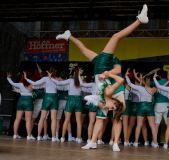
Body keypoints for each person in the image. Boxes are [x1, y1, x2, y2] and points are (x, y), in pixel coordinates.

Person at [56, 3, 149, 151]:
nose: (108, 49)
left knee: (117, 117)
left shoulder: (112, 58)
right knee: (100, 117)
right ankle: (92, 141)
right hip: (103, 81)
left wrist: (108, 73)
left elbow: (118, 70)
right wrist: (106, 75)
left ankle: (116, 143)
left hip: (113, 87)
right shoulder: (100, 58)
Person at [48, 67, 83, 143]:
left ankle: (62, 138)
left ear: (73, 73)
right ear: (79, 73)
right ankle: (79, 138)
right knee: (79, 121)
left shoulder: (70, 80)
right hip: (78, 100)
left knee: (66, 120)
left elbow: (58, 83)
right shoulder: (81, 81)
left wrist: (51, 78)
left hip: (70, 100)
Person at [24, 67, 58, 142]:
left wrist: (26, 79)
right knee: (53, 119)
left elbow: (36, 83)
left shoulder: (45, 78)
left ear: (48, 72)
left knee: (42, 118)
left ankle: (39, 136)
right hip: (54, 98)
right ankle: (53, 137)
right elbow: (61, 87)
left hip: (47, 98)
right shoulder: (56, 79)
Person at [126, 69, 158, 148]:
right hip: (150, 107)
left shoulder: (140, 88)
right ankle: (155, 143)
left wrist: (126, 76)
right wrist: (141, 79)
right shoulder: (154, 89)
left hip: (141, 106)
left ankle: (136, 142)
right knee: (152, 126)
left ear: (143, 81)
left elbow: (129, 83)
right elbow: (147, 87)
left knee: (139, 125)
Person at [7, 72, 35, 140]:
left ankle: (15, 134)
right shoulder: (32, 84)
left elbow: (12, 83)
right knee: (28, 120)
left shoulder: (20, 84)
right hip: (28, 101)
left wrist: (8, 78)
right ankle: (28, 136)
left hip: (21, 100)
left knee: (17, 119)